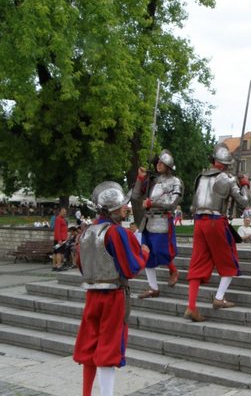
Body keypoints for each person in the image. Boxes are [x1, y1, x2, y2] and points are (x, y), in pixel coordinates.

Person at [73, 181, 149, 396]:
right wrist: (144, 254)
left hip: (92, 295)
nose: (126, 207)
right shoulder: (117, 233)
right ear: (113, 208)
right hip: (114, 296)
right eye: (123, 205)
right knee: (109, 348)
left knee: (90, 345)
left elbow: (81, 264)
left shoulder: (86, 232)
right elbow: (131, 268)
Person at [184, 143, 250, 322]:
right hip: (215, 222)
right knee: (229, 260)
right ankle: (219, 297)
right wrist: (244, 184)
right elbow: (243, 202)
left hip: (198, 222)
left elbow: (193, 205)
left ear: (213, 161)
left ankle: (191, 306)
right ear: (226, 164)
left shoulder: (200, 177)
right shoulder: (227, 179)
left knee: (197, 263)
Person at [132, 149, 183, 297]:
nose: (158, 164)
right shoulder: (151, 180)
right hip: (148, 220)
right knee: (146, 254)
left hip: (162, 220)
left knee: (162, 252)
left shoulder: (175, 181)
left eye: (162, 163)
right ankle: (153, 288)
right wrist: (140, 178)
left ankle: (173, 270)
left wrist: (152, 203)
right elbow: (136, 196)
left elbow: (172, 204)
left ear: (168, 165)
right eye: (158, 162)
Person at [52, 207, 68, 271]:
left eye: (65, 212)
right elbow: (57, 230)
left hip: (60, 238)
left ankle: (55, 266)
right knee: (59, 253)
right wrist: (59, 240)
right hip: (60, 239)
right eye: (63, 212)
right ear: (59, 212)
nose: (64, 213)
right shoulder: (59, 219)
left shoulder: (61, 219)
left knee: (56, 252)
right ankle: (58, 266)